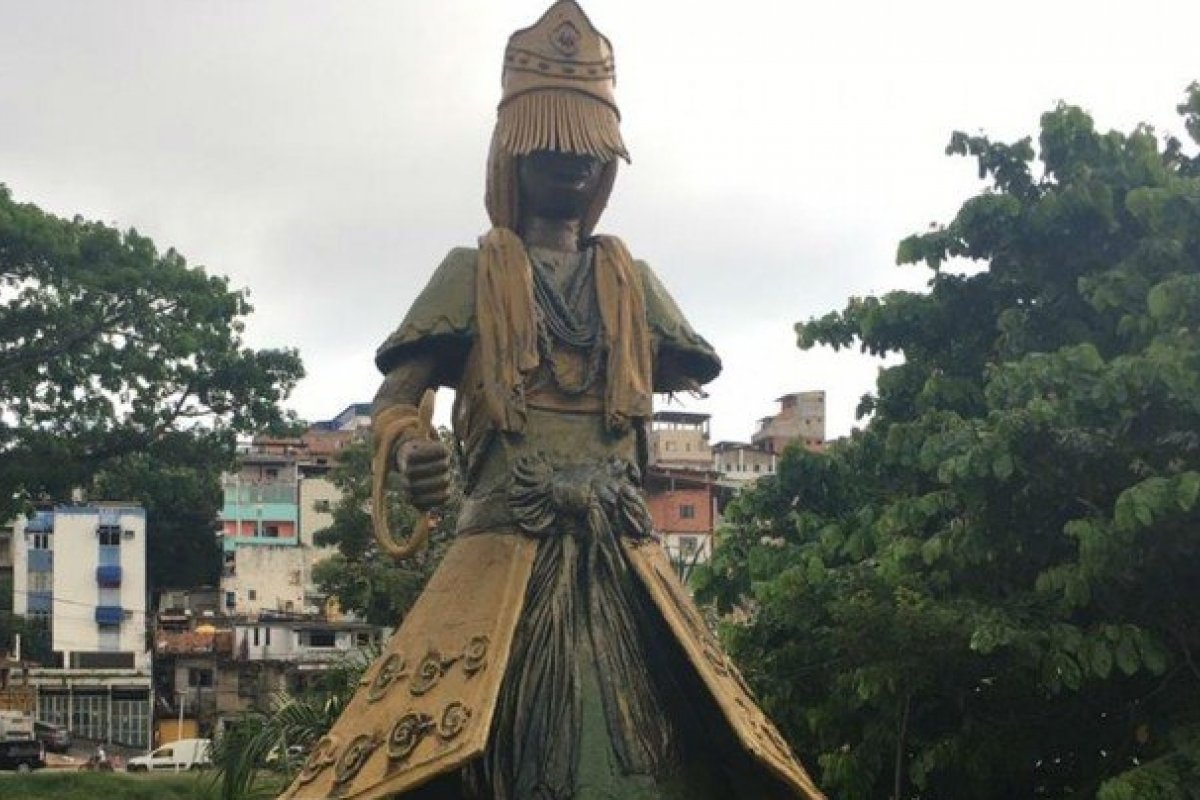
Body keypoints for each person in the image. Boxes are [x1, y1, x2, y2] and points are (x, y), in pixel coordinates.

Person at [280, 3, 823, 799]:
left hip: (622, 551)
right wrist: (407, 449)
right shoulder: (473, 271)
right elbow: (399, 396)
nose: (570, 165)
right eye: (552, 147)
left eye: (588, 152)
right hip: (505, 550)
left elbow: (693, 362)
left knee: (686, 758)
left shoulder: (629, 283)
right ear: (515, 155)